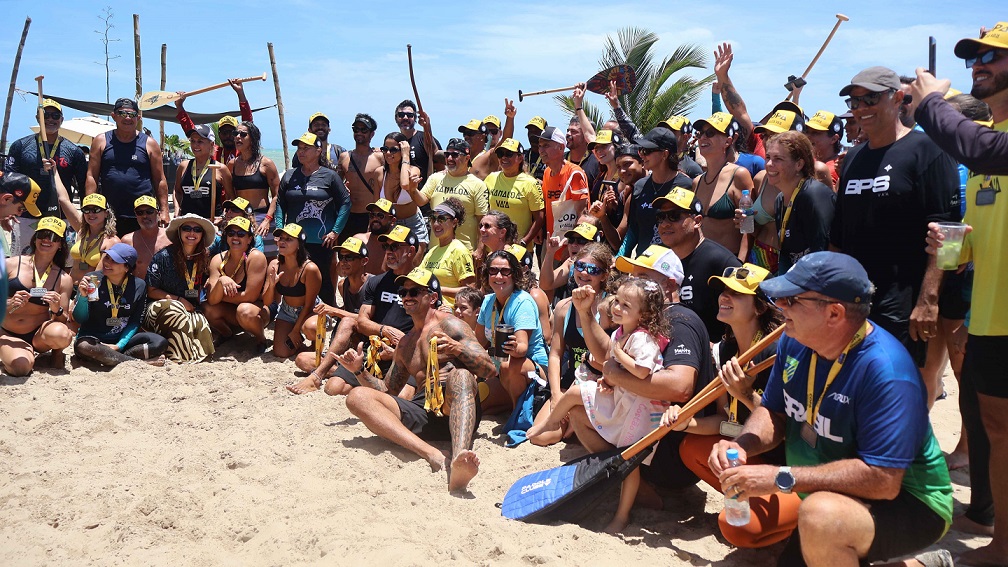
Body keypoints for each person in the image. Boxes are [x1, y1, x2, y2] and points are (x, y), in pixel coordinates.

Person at [709, 251, 953, 566]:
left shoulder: (887, 372)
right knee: (810, 524)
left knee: (820, 519)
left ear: (835, 314)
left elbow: (884, 479)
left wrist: (781, 477)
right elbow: (773, 412)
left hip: (910, 501)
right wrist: (741, 445)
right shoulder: (794, 339)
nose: (779, 307)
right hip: (827, 490)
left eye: (792, 300)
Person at [919, 23, 1008, 565]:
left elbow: (971, 141)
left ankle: (1002, 548)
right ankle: (986, 518)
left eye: (993, 57)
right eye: (975, 57)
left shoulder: (987, 146)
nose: (979, 64)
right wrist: (948, 247)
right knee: (988, 425)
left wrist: (932, 102)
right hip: (989, 315)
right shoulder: (983, 163)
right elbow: (975, 241)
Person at [564, 244, 714, 512]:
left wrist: (615, 376)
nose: (633, 283)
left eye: (642, 277)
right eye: (632, 276)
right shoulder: (647, 319)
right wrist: (586, 313)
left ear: (669, 284)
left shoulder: (680, 319)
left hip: (673, 447)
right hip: (653, 432)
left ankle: (639, 485)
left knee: (581, 406)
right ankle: (632, 480)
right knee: (577, 410)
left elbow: (680, 387)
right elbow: (605, 356)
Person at [831, 66, 960, 370]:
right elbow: (839, 235)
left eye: (871, 99)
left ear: (898, 98)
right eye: (855, 102)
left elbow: (951, 231)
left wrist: (930, 299)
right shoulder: (853, 158)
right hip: (854, 301)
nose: (861, 109)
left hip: (902, 304)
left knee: (898, 391)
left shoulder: (927, 150)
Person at [662, 263, 788, 548]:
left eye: (737, 293)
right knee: (690, 446)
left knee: (739, 528)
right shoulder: (725, 349)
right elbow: (723, 420)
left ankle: (785, 519)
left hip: (783, 463)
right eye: (723, 291)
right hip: (746, 451)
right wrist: (685, 423)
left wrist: (745, 394)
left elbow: (783, 429)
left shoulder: (776, 351)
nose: (724, 297)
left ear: (760, 308)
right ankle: (751, 500)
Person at [529, 276, 668, 533]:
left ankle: (622, 515)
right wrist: (609, 378)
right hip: (623, 397)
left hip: (641, 408)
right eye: (617, 301)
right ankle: (546, 424)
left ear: (644, 314)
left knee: (629, 458)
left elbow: (641, 371)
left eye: (627, 306)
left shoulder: (643, 338)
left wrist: (616, 360)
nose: (617, 308)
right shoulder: (620, 332)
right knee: (574, 395)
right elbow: (616, 369)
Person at [341, 267, 495, 493]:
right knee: (356, 397)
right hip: (424, 412)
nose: (406, 297)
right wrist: (359, 371)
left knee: (460, 375)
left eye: (414, 292)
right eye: (403, 293)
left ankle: (459, 458)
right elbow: (388, 391)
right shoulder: (406, 343)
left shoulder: (450, 325)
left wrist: (458, 348)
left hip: (457, 406)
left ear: (432, 297)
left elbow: (489, 369)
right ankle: (429, 451)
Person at [289, 225, 418, 396]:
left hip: (403, 353)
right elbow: (362, 322)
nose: (389, 252)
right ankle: (326, 376)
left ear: (410, 251)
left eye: (394, 247)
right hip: (373, 349)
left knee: (403, 398)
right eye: (386, 247)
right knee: (332, 387)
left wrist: (398, 351)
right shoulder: (374, 283)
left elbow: (429, 325)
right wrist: (383, 330)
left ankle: (371, 382)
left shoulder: (423, 284)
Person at [527, 243, 612, 448]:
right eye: (580, 266)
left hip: (601, 385)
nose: (584, 273)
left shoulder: (610, 307)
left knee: (572, 427)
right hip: (571, 381)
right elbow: (555, 354)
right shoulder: (563, 307)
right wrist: (557, 396)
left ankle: (578, 423)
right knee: (540, 437)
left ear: (604, 275)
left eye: (593, 270)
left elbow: (609, 358)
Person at [652, 186, 741, 340]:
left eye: (674, 216)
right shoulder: (660, 259)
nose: (665, 224)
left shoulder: (720, 261)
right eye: (661, 217)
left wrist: (720, 348)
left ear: (697, 221)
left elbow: (748, 312)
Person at [288, 235, 371, 393]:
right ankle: (347, 373)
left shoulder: (371, 286)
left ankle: (336, 374)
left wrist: (334, 310)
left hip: (365, 350)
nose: (344, 261)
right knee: (301, 360)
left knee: (347, 322)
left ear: (364, 261)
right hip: (346, 350)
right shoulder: (343, 285)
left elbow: (367, 321)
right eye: (341, 257)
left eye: (350, 257)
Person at [275, 132, 351, 304]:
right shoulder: (289, 175)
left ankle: (326, 315)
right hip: (294, 240)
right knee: (294, 278)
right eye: (299, 148)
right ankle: (294, 313)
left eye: (306, 148)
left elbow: (345, 203)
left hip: (321, 240)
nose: (301, 152)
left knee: (323, 281)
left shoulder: (330, 176)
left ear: (318, 151)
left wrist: (335, 231)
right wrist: (280, 229)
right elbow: (280, 203)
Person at [3, 98, 86, 251]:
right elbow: (7, 183)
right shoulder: (20, 146)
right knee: (24, 264)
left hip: (61, 218)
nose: (50, 119)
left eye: (55, 116)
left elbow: (84, 186)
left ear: (61, 119)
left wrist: (87, 219)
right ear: (37, 118)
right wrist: (5, 215)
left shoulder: (74, 151)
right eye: (45, 115)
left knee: (61, 265)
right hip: (25, 217)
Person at [71, 243, 167, 367]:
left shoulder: (139, 285)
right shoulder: (92, 280)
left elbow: (135, 321)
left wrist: (119, 345)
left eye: (114, 261)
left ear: (127, 267)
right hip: (93, 340)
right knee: (84, 346)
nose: (107, 263)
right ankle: (138, 363)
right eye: (107, 258)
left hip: (121, 340)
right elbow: (80, 319)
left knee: (160, 342)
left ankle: (113, 358)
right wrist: (83, 297)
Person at [476, 250, 549, 410]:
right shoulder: (488, 301)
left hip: (534, 369)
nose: (499, 276)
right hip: (500, 372)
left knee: (510, 365)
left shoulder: (522, 302)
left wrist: (514, 348)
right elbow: (478, 344)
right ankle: (508, 405)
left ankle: (517, 417)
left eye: (505, 271)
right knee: (478, 402)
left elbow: (522, 349)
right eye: (493, 271)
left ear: (514, 275)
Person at [85, 98, 170, 235]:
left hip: (142, 213)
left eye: (132, 115)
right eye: (122, 113)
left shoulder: (150, 144)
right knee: (110, 253)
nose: (127, 118)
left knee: (142, 254)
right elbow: (91, 176)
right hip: (109, 213)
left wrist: (165, 210)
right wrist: (90, 207)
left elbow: (160, 179)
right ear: (114, 116)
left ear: (139, 118)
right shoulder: (101, 141)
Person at [1, 217, 74, 375]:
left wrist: (57, 309)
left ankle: (54, 354)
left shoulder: (63, 279)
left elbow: (64, 319)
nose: (46, 240)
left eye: (53, 237)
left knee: (62, 334)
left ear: (60, 244)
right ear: (35, 239)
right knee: (20, 368)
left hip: (37, 336)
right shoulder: (11, 265)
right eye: (42, 234)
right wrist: (8, 302)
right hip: (7, 331)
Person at [143, 214, 216, 363]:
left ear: (202, 235)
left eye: (197, 229)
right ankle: (177, 357)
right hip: (157, 308)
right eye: (186, 228)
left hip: (190, 306)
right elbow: (151, 290)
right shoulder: (163, 256)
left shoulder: (204, 257)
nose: (191, 233)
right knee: (177, 311)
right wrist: (179, 299)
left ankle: (196, 358)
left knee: (199, 321)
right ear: (179, 232)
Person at [761, 131, 835, 275]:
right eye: (768, 157)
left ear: (799, 164)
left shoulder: (814, 195)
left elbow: (824, 254)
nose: (769, 164)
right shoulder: (780, 200)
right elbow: (786, 255)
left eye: (778, 159)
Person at [618, 127, 693, 258]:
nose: (641, 155)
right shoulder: (639, 186)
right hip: (643, 265)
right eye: (641, 150)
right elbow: (634, 230)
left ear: (664, 154)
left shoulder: (686, 185)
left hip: (672, 267)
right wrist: (620, 256)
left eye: (647, 151)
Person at [692, 112, 754, 260]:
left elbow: (749, 228)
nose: (703, 138)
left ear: (728, 142)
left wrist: (739, 265)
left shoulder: (739, 175)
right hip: (699, 260)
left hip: (728, 262)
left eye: (710, 133)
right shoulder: (697, 182)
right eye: (700, 134)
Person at [204, 216, 269, 347]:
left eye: (241, 234)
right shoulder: (218, 259)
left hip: (257, 309)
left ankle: (261, 339)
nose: (235, 237)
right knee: (207, 308)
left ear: (249, 239)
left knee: (243, 310)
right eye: (231, 233)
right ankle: (227, 334)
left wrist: (220, 296)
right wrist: (222, 280)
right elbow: (211, 300)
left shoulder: (255, 257)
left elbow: (251, 296)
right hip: (233, 310)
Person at [416, 138, 489, 251]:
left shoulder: (478, 184)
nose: (449, 158)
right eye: (447, 154)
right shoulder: (436, 178)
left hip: (464, 251)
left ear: (467, 158)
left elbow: (483, 221)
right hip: (436, 249)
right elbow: (421, 201)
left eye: (455, 155)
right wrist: (411, 189)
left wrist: (480, 250)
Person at [263, 223, 322, 359]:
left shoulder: (310, 269)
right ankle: (300, 344)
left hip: (310, 310)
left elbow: (309, 304)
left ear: (299, 244)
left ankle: (313, 345)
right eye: (281, 238)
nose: (282, 242)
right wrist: (272, 286)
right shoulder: (274, 265)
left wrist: (296, 330)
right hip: (286, 310)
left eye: (289, 239)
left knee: (311, 329)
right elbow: (267, 302)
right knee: (280, 352)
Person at [230, 121, 281, 259]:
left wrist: (267, 220)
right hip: (241, 218)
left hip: (262, 218)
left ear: (253, 138)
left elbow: (277, 195)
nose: (237, 137)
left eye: (243, 134)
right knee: (243, 258)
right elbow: (231, 195)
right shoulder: (232, 164)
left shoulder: (266, 164)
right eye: (235, 133)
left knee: (268, 258)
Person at [484, 138, 545, 250]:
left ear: (520, 158)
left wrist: (524, 242)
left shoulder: (530, 183)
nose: (503, 157)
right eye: (500, 154)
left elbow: (539, 218)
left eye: (509, 154)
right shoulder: (491, 178)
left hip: (518, 249)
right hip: (492, 247)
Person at [175, 79, 253, 163]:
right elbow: (191, 131)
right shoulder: (214, 151)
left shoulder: (244, 151)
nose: (228, 136)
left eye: (231, 132)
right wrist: (179, 106)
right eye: (224, 132)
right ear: (219, 134)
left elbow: (248, 125)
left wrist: (240, 93)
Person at [378, 133, 427, 254]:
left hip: (413, 224)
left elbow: (405, 184)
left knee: (413, 264)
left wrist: (406, 155)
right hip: (389, 226)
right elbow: (377, 206)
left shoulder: (414, 170)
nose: (388, 153)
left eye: (393, 150)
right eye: (385, 149)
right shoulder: (379, 173)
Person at [539, 126, 588, 246]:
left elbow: (582, 215)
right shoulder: (547, 172)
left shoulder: (574, 173)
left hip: (569, 245)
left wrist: (571, 245)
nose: (541, 150)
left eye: (546, 145)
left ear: (561, 147)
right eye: (540, 145)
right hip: (551, 242)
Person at [421, 200, 476, 307]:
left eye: (441, 219)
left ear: (454, 223)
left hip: (449, 314)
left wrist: (438, 289)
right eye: (433, 219)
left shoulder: (459, 251)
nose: (436, 224)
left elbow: (470, 290)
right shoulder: (432, 251)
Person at [173, 124, 234, 221]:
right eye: (193, 141)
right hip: (187, 224)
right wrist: (177, 209)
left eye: (200, 141)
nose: (195, 145)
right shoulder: (183, 166)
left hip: (211, 224)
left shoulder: (220, 168)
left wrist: (223, 217)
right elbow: (177, 191)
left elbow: (231, 197)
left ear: (211, 144)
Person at [338, 113, 384, 239]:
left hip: (369, 216)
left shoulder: (379, 157)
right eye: (356, 129)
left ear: (372, 134)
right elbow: (337, 184)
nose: (359, 133)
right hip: (348, 215)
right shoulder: (344, 157)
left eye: (364, 130)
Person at [58, 192, 120, 285]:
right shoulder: (81, 233)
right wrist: (55, 176)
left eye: (96, 209)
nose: (91, 214)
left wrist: (81, 296)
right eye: (86, 210)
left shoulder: (112, 241)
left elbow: (99, 276)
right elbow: (63, 200)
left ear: (106, 213)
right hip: (71, 286)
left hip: (90, 290)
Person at [585, 129, 626, 250]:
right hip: (597, 237)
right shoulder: (601, 175)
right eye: (596, 148)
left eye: (604, 146)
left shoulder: (624, 177)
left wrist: (613, 207)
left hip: (615, 240)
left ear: (616, 147)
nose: (598, 151)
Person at [121, 196, 170, 282]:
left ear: (158, 213)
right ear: (136, 215)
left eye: (149, 212)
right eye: (140, 212)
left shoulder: (171, 237)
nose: (144, 216)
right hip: (140, 292)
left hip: (166, 292)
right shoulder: (127, 241)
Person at [394, 99, 440, 185]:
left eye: (409, 115)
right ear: (396, 118)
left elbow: (439, 164)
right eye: (401, 115)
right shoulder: (394, 141)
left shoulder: (424, 138)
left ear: (415, 118)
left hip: (422, 194)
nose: (405, 118)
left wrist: (427, 126)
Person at [805, 110, 844, 190]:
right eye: (807, 132)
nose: (808, 136)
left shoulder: (839, 166)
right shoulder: (804, 163)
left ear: (833, 139)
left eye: (815, 133)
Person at [356, 199, 397, 275]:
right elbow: (341, 271)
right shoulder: (358, 240)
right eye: (372, 215)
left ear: (392, 220)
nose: (375, 218)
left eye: (380, 216)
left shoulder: (397, 247)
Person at [523, 116, 548, 181]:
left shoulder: (551, 157)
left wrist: (543, 184)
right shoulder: (522, 155)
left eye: (537, 131)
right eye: (530, 131)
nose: (533, 135)